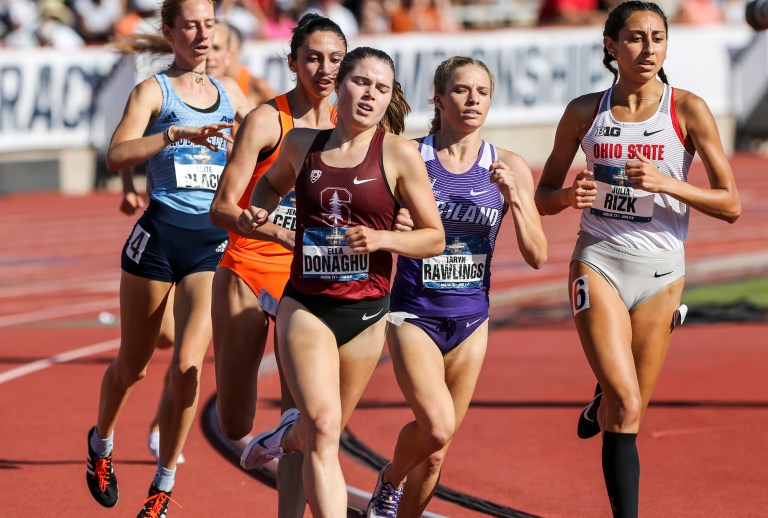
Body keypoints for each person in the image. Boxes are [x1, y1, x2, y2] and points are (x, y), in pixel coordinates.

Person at [534, 2, 740, 516]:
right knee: (624, 402)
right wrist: (569, 197)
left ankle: (599, 402)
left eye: (657, 38)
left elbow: (732, 203)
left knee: (628, 411)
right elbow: (544, 195)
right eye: (634, 38)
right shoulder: (585, 112)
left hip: (663, 273)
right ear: (611, 45)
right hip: (598, 259)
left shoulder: (687, 109)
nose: (647, 48)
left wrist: (668, 183)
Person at [236, 46, 446, 516]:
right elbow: (270, 184)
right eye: (362, 82)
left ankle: (283, 435)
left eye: (382, 87)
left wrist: (382, 239)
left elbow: (434, 239)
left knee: (317, 433)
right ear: (340, 85)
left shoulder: (399, 154)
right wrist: (263, 210)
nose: (370, 94)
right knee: (326, 428)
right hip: (306, 305)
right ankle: (298, 436)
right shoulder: (301, 144)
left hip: (367, 313)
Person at [84, 1, 251, 516]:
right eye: (190, 26)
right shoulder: (153, 92)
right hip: (158, 239)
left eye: (209, 25)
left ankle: (164, 482)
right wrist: (173, 135)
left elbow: (273, 154)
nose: (201, 35)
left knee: (187, 367)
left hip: (210, 245)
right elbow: (116, 153)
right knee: (132, 366)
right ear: (170, 32)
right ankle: (101, 444)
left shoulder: (233, 97)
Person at [364, 56, 548, 517]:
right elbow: (372, 231)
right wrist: (396, 223)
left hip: (471, 321)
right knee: (437, 426)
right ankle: (389, 481)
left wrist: (517, 201)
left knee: (437, 452)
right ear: (439, 99)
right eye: (462, 91)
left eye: (482, 92)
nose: (473, 101)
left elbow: (538, 255)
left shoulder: (509, 165)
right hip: (413, 313)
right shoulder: (409, 155)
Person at [209, 13, 347, 517]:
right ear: (292, 63)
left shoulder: (352, 125)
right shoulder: (268, 120)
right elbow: (221, 208)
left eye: (335, 59)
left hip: (308, 283)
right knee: (233, 423)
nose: (324, 68)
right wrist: (277, 230)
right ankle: (277, 432)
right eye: (312, 57)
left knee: (304, 417)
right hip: (248, 268)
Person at [117, 166, 185, 465]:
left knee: (188, 354)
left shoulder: (238, 117)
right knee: (166, 338)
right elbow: (124, 147)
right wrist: (128, 187)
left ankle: (161, 427)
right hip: (166, 232)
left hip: (212, 235)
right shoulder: (159, 117)